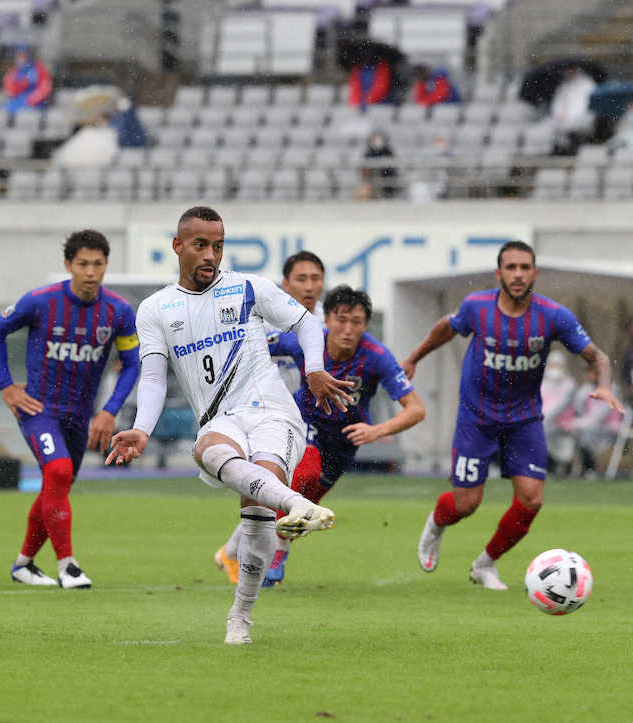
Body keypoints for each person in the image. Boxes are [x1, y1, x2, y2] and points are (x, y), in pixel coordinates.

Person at [105, 206, 354, 644]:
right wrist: (142, 428)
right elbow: (154, 377)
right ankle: (298, 505)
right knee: (208, 450)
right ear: (178, 246)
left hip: (273, 412)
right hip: (220, 418)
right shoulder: (155, 309)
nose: (210, 255)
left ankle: (240, 616)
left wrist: (314, 368)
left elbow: (308, 323)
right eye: (200, 245)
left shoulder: (248, 288)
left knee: (257, 508)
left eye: (217, 246)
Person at [402, 240, 622, 590]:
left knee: (532, 499)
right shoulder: (477, 307)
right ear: (498, 273)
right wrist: (414, 358)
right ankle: (436, 525)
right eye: (511, 267)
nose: (518, 274)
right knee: (466, 503)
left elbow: (597, 356)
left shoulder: (553, 315)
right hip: (477, 419)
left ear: (535, 273)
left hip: (523, 421)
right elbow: (448, 326)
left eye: (524, 268)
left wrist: (605, 386)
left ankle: (485, 564)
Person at [0, 230, 140, 589]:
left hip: (79, 416)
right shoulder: (40, 301)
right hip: (39, 409)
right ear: (68, 265)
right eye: (83, 264)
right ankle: (68, 566)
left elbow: (132, 363)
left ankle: (23, 564)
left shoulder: (118, 311)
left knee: (56, 487)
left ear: (106, 265)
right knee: (57, 471)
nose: (91, 272)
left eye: (98, 264)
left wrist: (109, 411)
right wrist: (6, 386)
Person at [260, 285, 425, 586]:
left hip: (344, 441)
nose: (348, 330)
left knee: (306, 509)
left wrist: (377, 430)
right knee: (305, 475)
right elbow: (255, 343)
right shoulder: (307, 340)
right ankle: (271, 551)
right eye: (341, 320)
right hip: (305, 420)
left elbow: (416, 409)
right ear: (327, 320)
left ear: (365, 324)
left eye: (356, 322)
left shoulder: (376, 356)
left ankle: (262, 547)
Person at [213, 250, 327, 584]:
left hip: (313, 414)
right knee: (281, 484)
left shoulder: (324, 320)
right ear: (285, 284)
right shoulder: (266, 316)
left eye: (315, 279)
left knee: (288, 488)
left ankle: (233, 552)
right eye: (301, 279)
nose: (309, 286)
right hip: (268, 416)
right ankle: (267, 556)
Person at [2, 45, 52, 115]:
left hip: (37, 103)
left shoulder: (39, 69)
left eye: (23, 55)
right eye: (18, 56)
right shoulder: (13, 72)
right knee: (4, 111)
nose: (20, 58)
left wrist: (34, 98)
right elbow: (10, 90)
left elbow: (45, 87)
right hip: (18, 102)